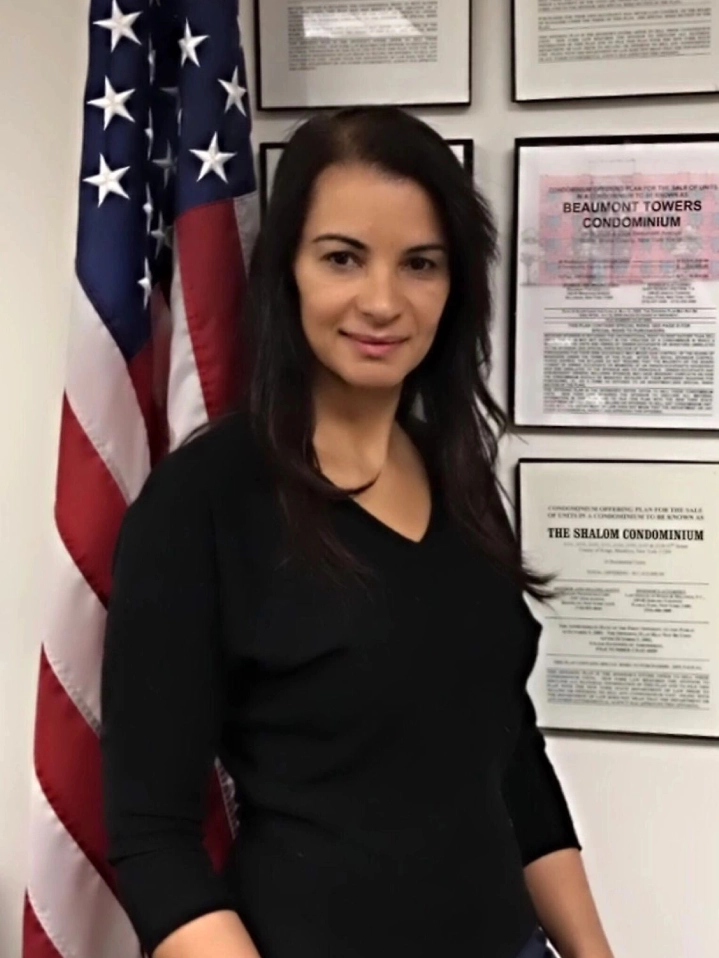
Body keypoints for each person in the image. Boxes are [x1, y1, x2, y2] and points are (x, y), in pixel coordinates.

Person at [100, 106, 614, 958]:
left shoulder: (456, 475)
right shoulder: (201, 503)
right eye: (342, 257)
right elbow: (152, 839)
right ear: (286, 273)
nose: (382, 301)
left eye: (420, 264)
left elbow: (508, 758)